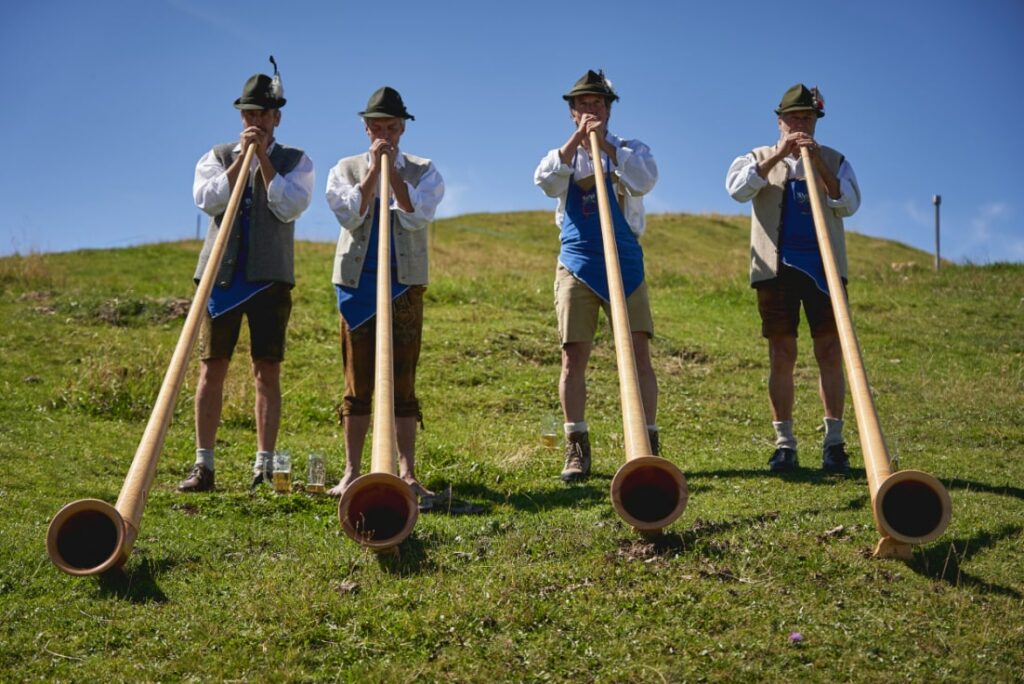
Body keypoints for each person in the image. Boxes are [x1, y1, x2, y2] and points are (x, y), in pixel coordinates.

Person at [178, 58, 315, 492]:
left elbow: (290, 205)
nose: (256, 120)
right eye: (248, 113)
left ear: (277, 117)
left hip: (271, 278)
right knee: (211, 368)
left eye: (263, 113)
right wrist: (242, 161)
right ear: (241, 116)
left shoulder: (297, 160)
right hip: (220, 278)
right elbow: (208, 200)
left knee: (266, 371)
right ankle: (205, 465)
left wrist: (265, 162)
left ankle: (264, 465)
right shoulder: (217, 157)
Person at [725, 83, 861, 474]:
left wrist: (816, 165)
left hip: (825, 272)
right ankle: (784, 444)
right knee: (782, 354)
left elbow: (848, 203)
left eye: (808, 117)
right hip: (776, 271)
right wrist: (779, 157)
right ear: (779, 120)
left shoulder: (835, 161)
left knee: (831, 353)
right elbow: (737, 190)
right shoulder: (757, 157)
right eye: (795, 117)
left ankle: (834, 443)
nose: (802, 123)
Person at [534, 70, 660, 483]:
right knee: (573, 357)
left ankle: (647, 442)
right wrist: (577, 143)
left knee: (639, 353)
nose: (592, 111)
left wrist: (604, 144)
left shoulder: (629, 149)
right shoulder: (562, 155)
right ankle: (576, 445)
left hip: (624, 262)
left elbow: (644, 180)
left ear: (609, 110)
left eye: (599, 104)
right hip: (578, 263)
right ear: (572, 112)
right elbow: (546, 181)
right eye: (584, 105)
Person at [325, 86, 444, 498]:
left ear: (403, 128)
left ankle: (407, 473)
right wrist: (375, 170)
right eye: (377, 127)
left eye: (391, 128)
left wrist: (393, 170)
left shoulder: (424, 170)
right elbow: (349, 214)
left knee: (403, 381)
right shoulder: (344, 168)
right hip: (357, 284)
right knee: (357, 382)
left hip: (403, 285)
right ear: (365, 127)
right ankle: (352, 471)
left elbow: (415, 215)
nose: (384, 135)